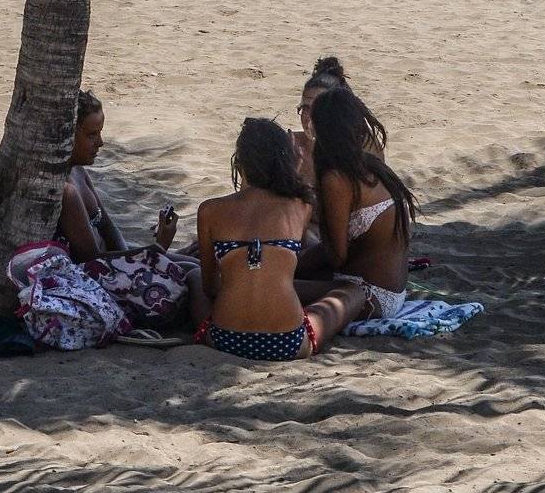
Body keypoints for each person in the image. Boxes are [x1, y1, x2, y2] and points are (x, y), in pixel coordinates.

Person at [195, 118, 356, 361]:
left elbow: (210, 288)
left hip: (225, 339)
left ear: (240, 163)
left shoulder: (210, 210)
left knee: (193, 276)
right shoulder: (301, 206)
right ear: (286, 161)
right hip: (287, 343)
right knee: (353, 292)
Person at [296, 86, 419, 330]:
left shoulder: (337, 178)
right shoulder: (370, 165)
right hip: (391, 292)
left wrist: (291, 263)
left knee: (269, 285)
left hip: (368, 296)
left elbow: (336, 256)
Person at [57, 90, 185, 263]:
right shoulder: (66, 192)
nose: (100, 142)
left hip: (115, 260)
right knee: (192, 272)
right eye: (91, 135)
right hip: (100, 271)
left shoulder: (78, 171)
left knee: (193, 261)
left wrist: (151, 252)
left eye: (100, 133)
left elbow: (108, 227)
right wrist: (158, 248)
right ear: (67, 136)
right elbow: (91, 260)